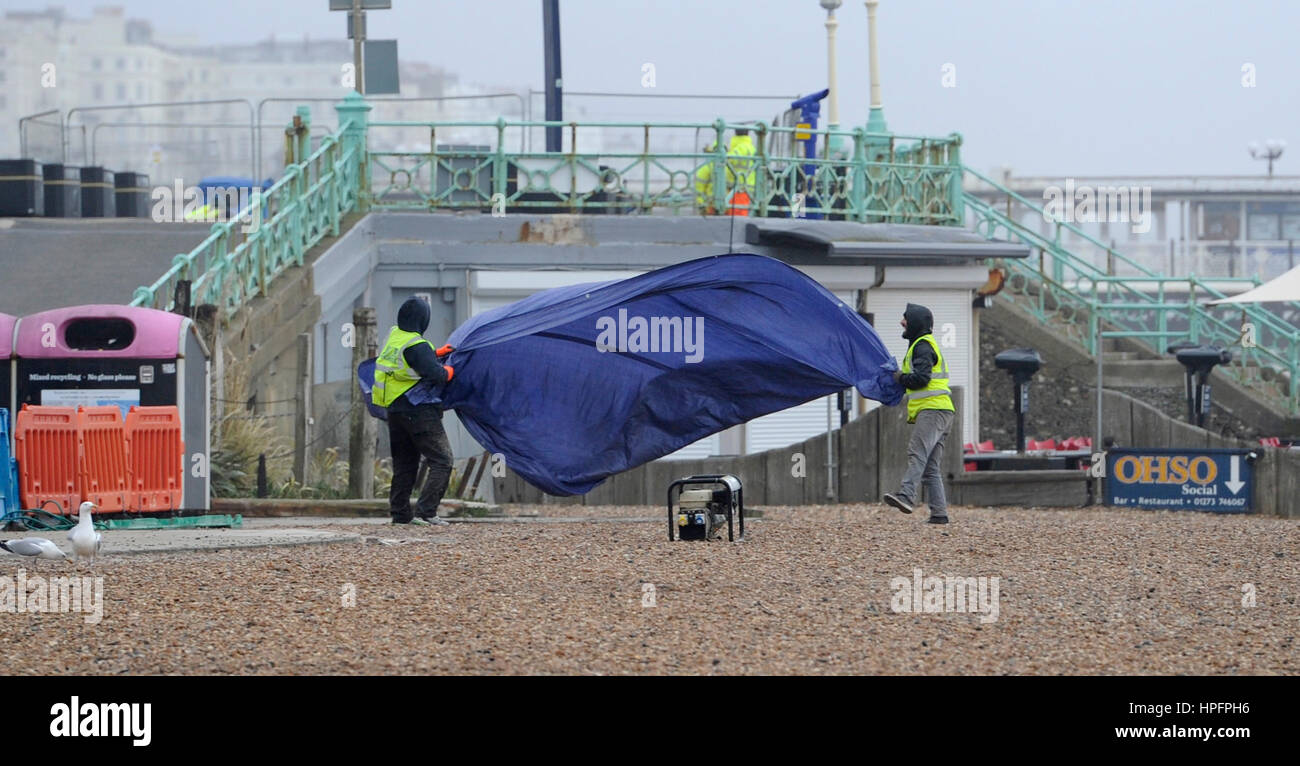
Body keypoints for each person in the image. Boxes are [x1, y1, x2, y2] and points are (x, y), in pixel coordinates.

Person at [372, 296, 456, 526]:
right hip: (417, 410)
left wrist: (435, 353)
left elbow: (408, 362)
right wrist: (449, 370)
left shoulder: (395, 336)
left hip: (395, 411)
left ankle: (400, 515)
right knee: (442, 460)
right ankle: (426, 512)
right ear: (423, 321)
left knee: (405, 464)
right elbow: (436, 375)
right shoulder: (416, 346)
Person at [883, 303, 956, 524]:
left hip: (933, 410)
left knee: (917, 453)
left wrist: (898, 378)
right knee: (931, 467)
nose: (902, 322)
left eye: (905, 318)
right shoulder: (922, 345)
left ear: (915, 322)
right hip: (943, 410)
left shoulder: (922, 347)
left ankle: (906, 495)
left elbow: (921, 379)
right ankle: (939, 514)